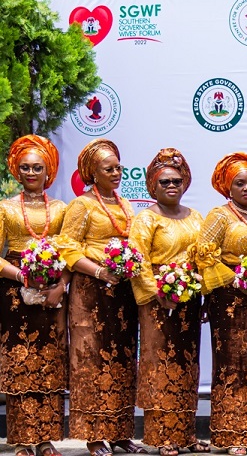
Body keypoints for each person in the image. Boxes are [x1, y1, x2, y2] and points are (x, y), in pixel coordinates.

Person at [55, 139, 146, 456]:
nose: (117, 173)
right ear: (93, 173)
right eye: (109, 169)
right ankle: (94, 437)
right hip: (91, 292)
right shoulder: (82, 205)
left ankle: (120, 433)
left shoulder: (126, 204)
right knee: (91, 361)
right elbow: (67, 248)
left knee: (122, 359)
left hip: (122, 292)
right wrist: (98, 271)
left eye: (119, 167)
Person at [194, 153, 247, 455]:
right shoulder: (220, 216)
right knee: (232, 364)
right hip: (229, 299)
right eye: (239, 183)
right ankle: (232, 435)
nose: (246, 188)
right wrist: (237, 280)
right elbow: (203, 254)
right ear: (227, 186)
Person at [128, 149, 208, 456]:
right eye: (165, 182)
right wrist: (157, 293)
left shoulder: (196, 217)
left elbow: (204, 258)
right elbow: (138, 261)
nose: (171, 186)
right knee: (160, 365)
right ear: (153, 185)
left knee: (187, 365)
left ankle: (185, 435)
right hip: (157, 303)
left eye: (177, 181)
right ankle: (162, 437)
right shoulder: (146, 218)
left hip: (189, 299)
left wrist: (203, 293)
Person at [0, 135, 70, 456]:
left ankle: (45, 439)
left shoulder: (60, 209)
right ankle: (22, 439)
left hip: (52, 292)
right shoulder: (5, 208)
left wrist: (59, 285)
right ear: (17, 170)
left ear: (48, 171)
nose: (31, 173)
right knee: (20, 360)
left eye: (37, 167)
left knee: (49, 362)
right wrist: (21, 276)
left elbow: (70, 253)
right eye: (25, 167)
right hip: (15, 291)